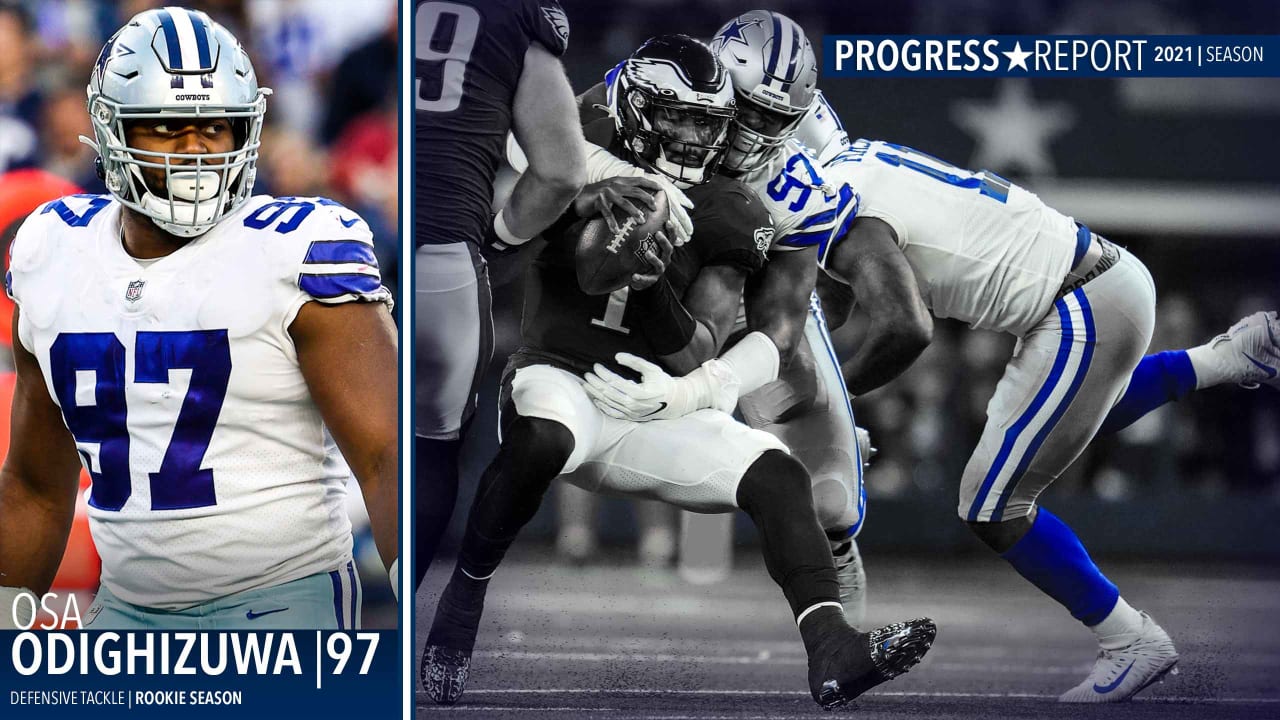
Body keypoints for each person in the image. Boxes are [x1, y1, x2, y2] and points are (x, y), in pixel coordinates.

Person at [591, 10, 1279, 703]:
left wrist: (842, 408)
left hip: (1078, 307)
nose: (748, 136)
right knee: (1045, 432)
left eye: (770, 121)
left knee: (992, 504)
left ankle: (1130, 637)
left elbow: (906, 326)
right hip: (1096, 288)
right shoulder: (840, 158)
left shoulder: (824, 198)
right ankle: (1220, 362)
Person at [420, 35, 935, 710]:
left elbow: (703, 347)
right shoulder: (574, 150)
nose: (692, 136)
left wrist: (659, 296)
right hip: (560, 375)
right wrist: (588, 201)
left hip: (657, 403)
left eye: (706, 121)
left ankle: (832, 645)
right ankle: (460, 609)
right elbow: (511, 209)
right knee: (541, 439)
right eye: (676, 117)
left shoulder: (737, 207)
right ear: (633, 108)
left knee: (780, 474)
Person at [0, 7, 398, 630]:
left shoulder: (294, 249)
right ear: (110, 132)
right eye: (167, 127)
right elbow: (35, 488)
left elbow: (387, 460)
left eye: (216, 127)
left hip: (281, 606)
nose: (196, 150)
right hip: (125, 612)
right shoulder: (54, 252)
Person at [575, 12, 869, 624]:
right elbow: (541, 141)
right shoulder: (664, 80)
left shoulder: (802, 166)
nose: (753, 133)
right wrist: (604, 180)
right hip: (655, 246)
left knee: (832, 493)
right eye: (747, 110)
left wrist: (701, 388)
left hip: (753, 268)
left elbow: (785, 320)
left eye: (773, 121)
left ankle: (832, 552)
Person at [413, 0, 586, 589]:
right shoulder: (515, 16)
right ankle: (387, 624)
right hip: (439, 252)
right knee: (429, 450)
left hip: (333, 246)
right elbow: (562, 170)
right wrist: (502, 237)